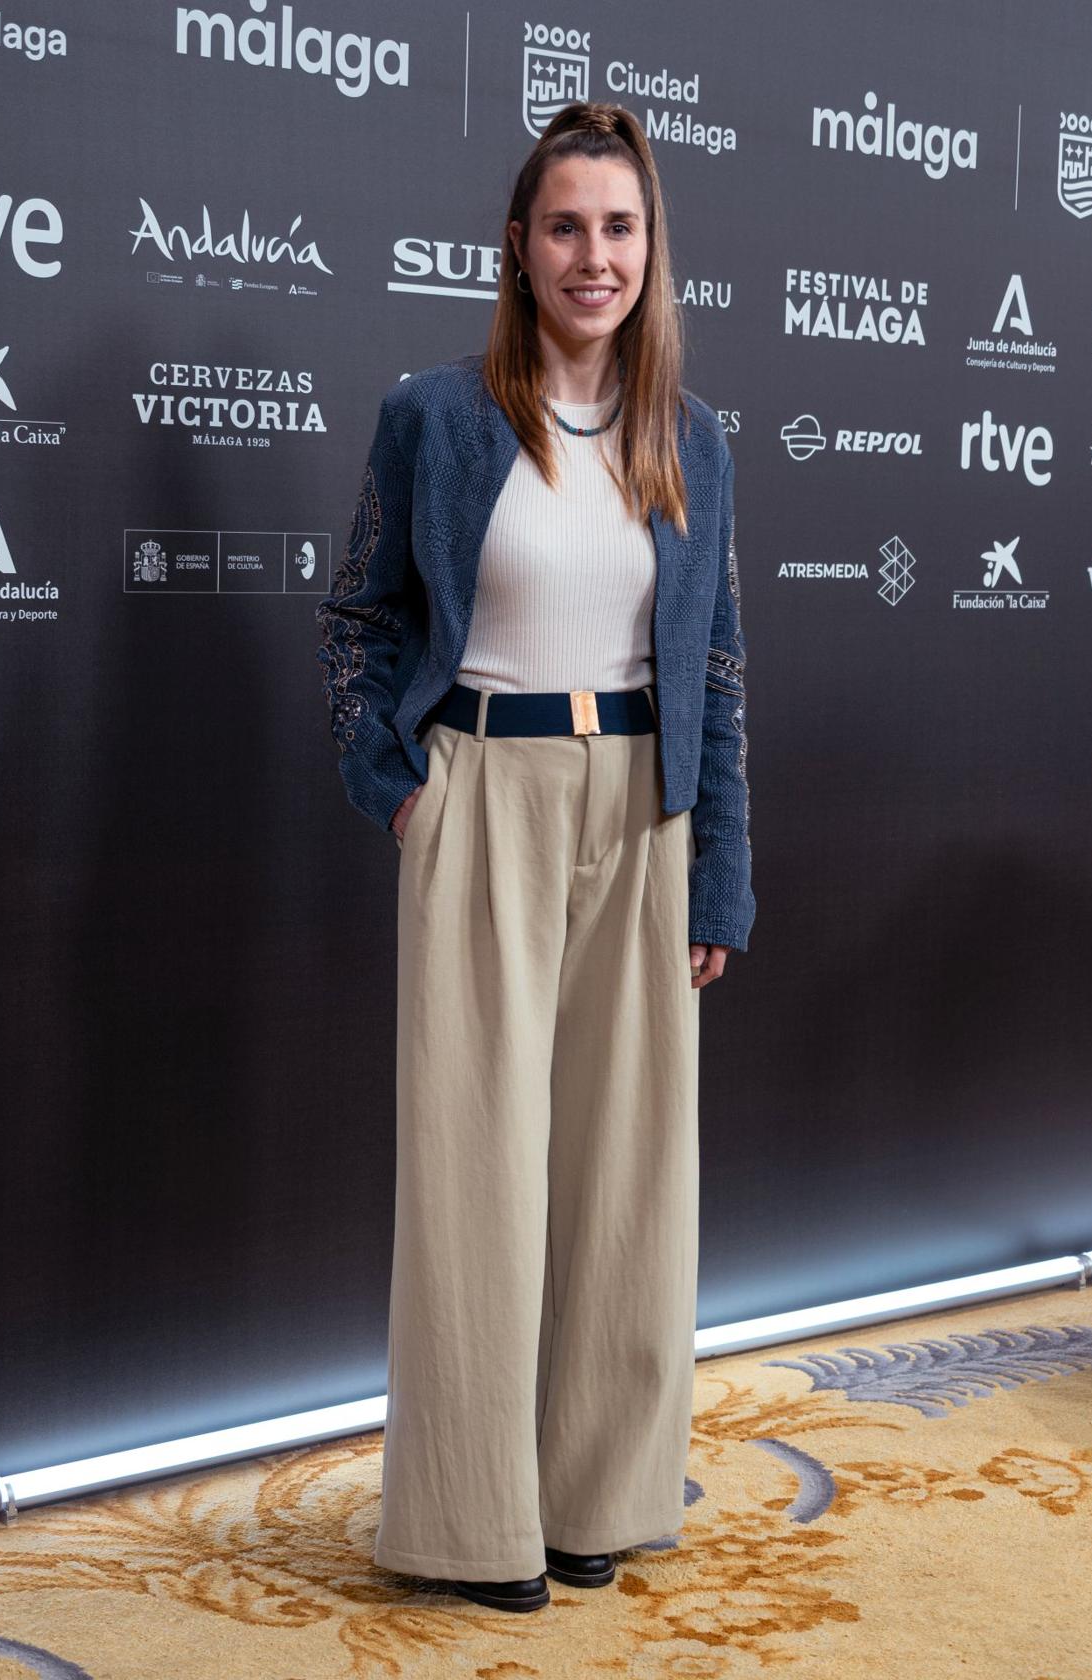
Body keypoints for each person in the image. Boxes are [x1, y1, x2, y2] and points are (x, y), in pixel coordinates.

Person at [314, 100, 755, 1615]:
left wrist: (721, 874)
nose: (594, 255)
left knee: (634, 1176)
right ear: (519, 243)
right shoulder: (436, 415)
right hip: (481, 792)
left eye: (620, 227)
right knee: (475, 1170)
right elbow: (359, 617)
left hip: (648, 801)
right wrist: (398, 785)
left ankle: (597, 1499)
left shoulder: (691, 436)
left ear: (651, 249)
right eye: (566, 225)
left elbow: (718, 671)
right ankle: (468, 1523)